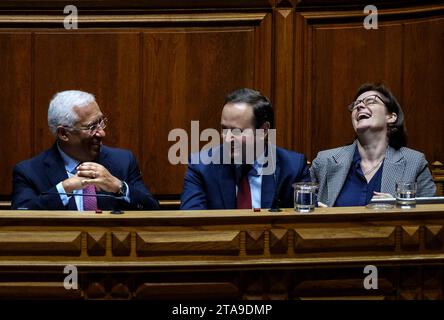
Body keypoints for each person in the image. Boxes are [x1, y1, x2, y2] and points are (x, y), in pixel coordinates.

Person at [12, 90, 159, 211]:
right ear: (63, 133)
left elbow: (154, 211)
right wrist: (66, 188)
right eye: (91, 127)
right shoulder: (29, 172)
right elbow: (20, 218)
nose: (102, 133)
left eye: (101, 122)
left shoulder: (123, 161)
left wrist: (119, 187)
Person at [180, 88, 310, 210]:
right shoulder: (201, 166)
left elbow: (307, 226)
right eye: (224, 129)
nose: (227, 138)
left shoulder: (293, 167)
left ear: (263, 130)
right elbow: (192, 223)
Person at [310, 83, 436, 207]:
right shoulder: (324, 161)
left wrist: (399, 207)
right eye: (356, 104)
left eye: (370, 101)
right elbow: (298, 204)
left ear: (391, 117)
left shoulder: (414, 162)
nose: (359, 106)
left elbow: (431, 218)